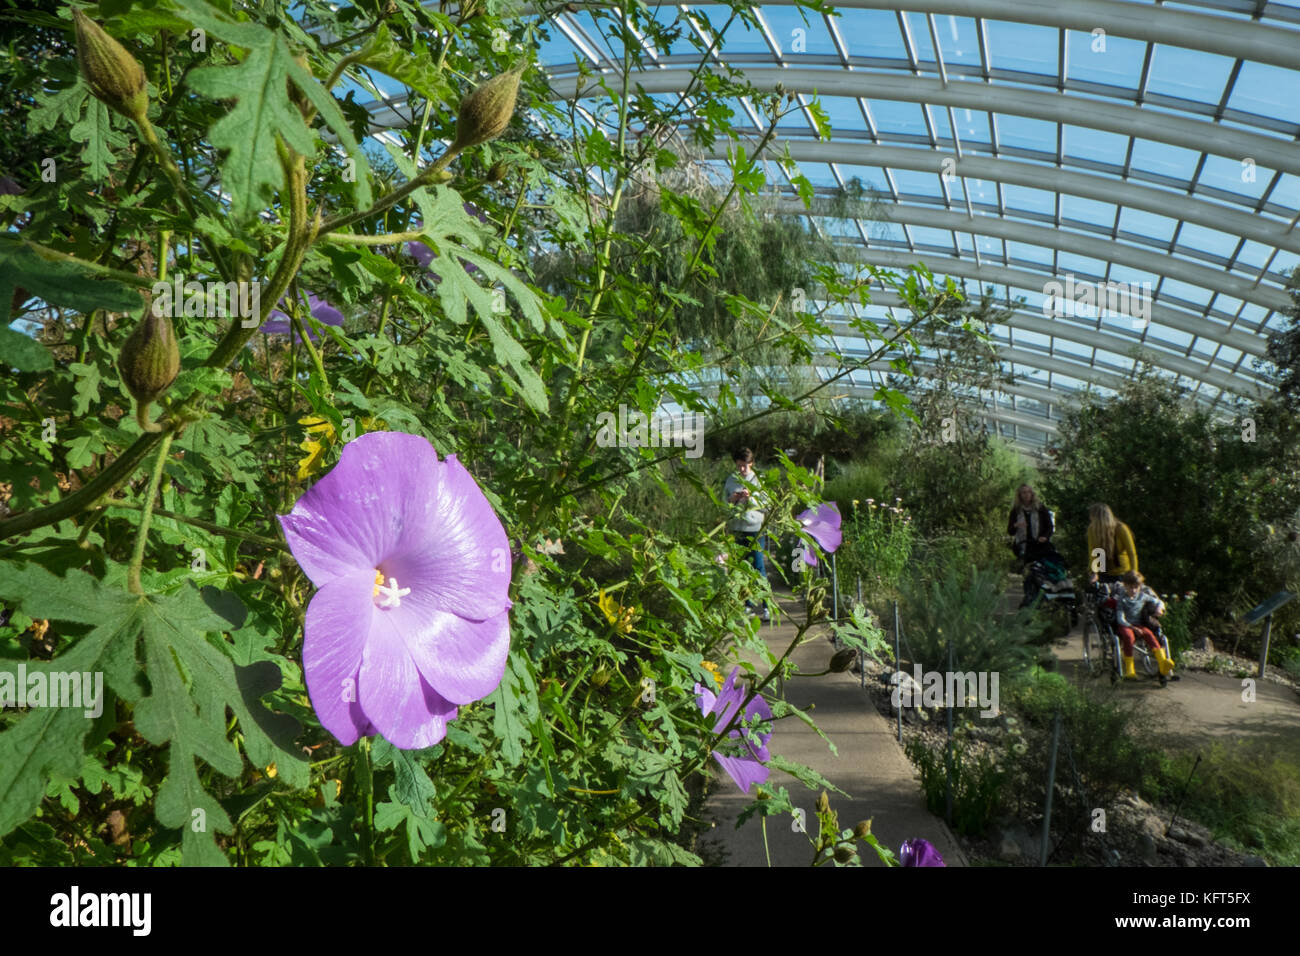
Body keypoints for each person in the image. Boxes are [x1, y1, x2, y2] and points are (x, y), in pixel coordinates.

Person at [725, 447, 769, 621]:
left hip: (754, 528)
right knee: (741, 568)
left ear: (752, 464)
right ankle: (748, 605)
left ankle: (767, 607)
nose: (742, 469)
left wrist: (751, 498)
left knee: (758, 568)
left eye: (745, 466)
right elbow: (724, 503)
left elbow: (766, 503)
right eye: (739, 466)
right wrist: (732, 500)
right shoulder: (730, 480)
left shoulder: (759, 481)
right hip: (737, 527)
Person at [1114, 570, 1174, 680]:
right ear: (1125, 586)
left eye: (1136, 587)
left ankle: (1162, 663)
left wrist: (1159, 609)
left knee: (1150, 634)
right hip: (1126, 625)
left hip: (1139, 624)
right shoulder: (1122, 599)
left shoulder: (1142, 596)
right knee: (1129, 637)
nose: (1133, 590)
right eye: (1130, 587)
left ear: (1140, 586)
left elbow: (1158, 601)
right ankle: (1130, 670)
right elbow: (1120, 619)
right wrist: (1132, 627)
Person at [1085, 502, 1138, 582]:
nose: (1090, 518)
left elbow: (1131, 553)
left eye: (1092, 515)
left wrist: (1134, 572)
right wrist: (1094, 572)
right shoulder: (1092, 530)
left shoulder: (1121, 528)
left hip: (1122, 573)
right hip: (1103, 571)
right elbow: (1094, 552)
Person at [1007, 484, 1054, 562]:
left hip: (1039, 545)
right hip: (1023, 546)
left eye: (1029, 492)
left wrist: (1045, 537)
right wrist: (1016, 525)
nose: (1027, 495)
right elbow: (1010, 531)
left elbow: (1049, 526)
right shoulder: (1016, 511)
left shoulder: (1040, 508)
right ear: (1020, 495)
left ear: (1032, 494)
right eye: (1024, 493)